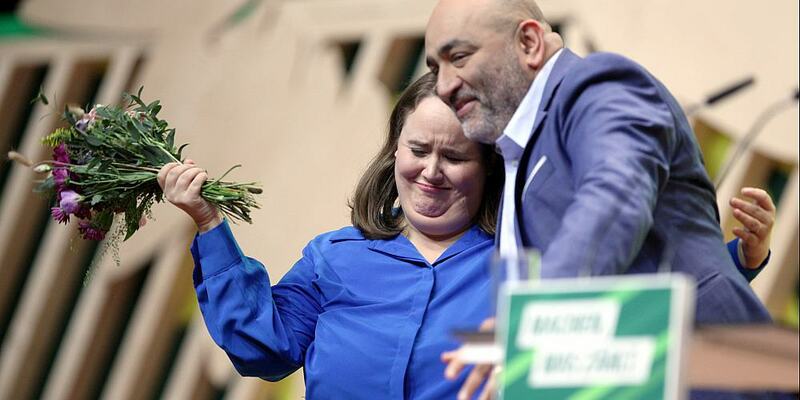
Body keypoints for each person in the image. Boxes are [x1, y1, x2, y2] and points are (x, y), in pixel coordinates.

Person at [159, 72, 774, 399]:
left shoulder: (529, 262)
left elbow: (641, 313)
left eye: (454, 156)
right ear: (393, 152)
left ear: (488, 170)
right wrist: (210, 225)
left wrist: (739, 258)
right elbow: (262, 349)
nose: (430, 171)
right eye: (417, 149)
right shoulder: (334, 258)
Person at [423, 0, 779, 398]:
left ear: (529, 43)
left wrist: (534, 319)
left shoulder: (598, 85)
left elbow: (615, 191)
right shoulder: (516, 158)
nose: (444, 86)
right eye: (435, 69)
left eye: (459, 57)